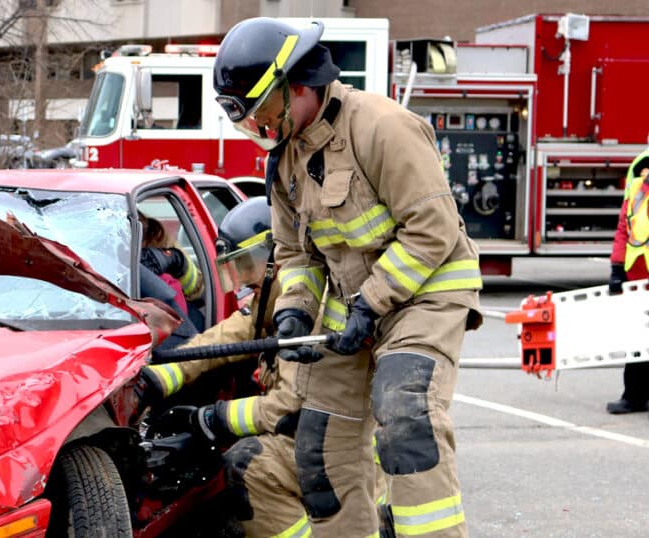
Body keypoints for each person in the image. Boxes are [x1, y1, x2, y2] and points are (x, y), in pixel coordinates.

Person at [213, 18, 483, 537]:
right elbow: (296, 253)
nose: (260, 129)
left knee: (405, 417)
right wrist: (294, 310)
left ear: (294, 86)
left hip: (424, 294)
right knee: (317, 443)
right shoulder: (287, 159)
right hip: (354, 301)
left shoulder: (381, 126)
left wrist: (371, 304)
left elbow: (433, 229)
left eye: (262, 112)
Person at [137, 197, 318, 537]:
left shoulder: (307, 313)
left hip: (344, 447)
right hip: (315, 434)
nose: (246, 281)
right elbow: (217, 341)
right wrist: (152, 380)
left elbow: (284, 408)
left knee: (249, 465)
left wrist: (209, 419)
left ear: (275, 258)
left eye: (249, 266)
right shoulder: (275, 303)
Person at [605, 147, 649, 414]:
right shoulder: (638, 174)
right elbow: (625, 223)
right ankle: (634, 395)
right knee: (636, 338)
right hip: (637, 271)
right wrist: (617, 266)